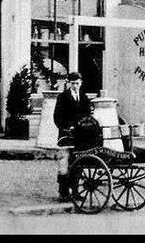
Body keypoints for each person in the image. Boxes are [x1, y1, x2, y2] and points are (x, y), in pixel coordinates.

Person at [53, 72, 93, 200]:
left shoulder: (84, 98)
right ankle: (63, 192)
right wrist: (66, 127)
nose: (75, 86)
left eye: (77, 83)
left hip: (80, 136)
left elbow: (88, 116)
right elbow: (57, 117)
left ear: (81, 83)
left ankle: (75, 192)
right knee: (64, 163)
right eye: (73, 83)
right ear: (68, 83)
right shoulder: (63, 97)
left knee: (78, 163)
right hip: (66, 135)